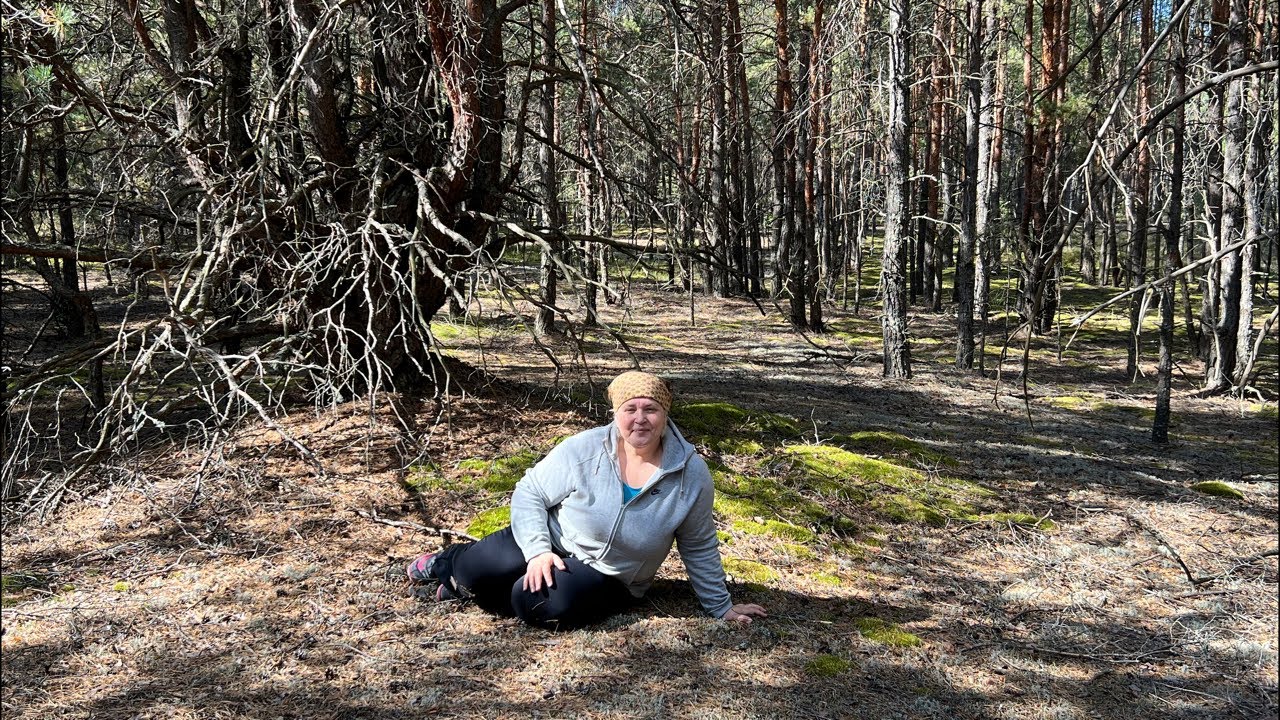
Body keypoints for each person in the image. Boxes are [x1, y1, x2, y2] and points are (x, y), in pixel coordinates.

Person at [405, 370, 768, 630]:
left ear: (665, 414)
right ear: (616, 414)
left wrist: (721, 607)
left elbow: (698, 544)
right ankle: (446, 565)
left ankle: (479, 592)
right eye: (630, 409)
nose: (640, 419)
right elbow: (531, 492)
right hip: (552, 540)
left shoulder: (691, 474)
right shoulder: (585, 448)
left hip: (609, 575)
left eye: (651, 409)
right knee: (475, 569)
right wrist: (538, 551)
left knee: (538, 602)